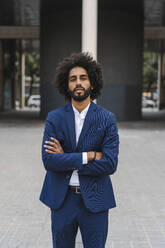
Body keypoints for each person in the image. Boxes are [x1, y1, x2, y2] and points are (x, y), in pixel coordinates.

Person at [40, 52, 119, 248]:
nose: (78, 83)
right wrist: (89, 156)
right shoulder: (54, 118)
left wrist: (66, 159)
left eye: (83, 78)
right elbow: (49, 161)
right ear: (66, 85)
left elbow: (110, 163)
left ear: (92, 83)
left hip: (95, 200)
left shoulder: (107, 119)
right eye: (73, 79)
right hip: (62, 199)